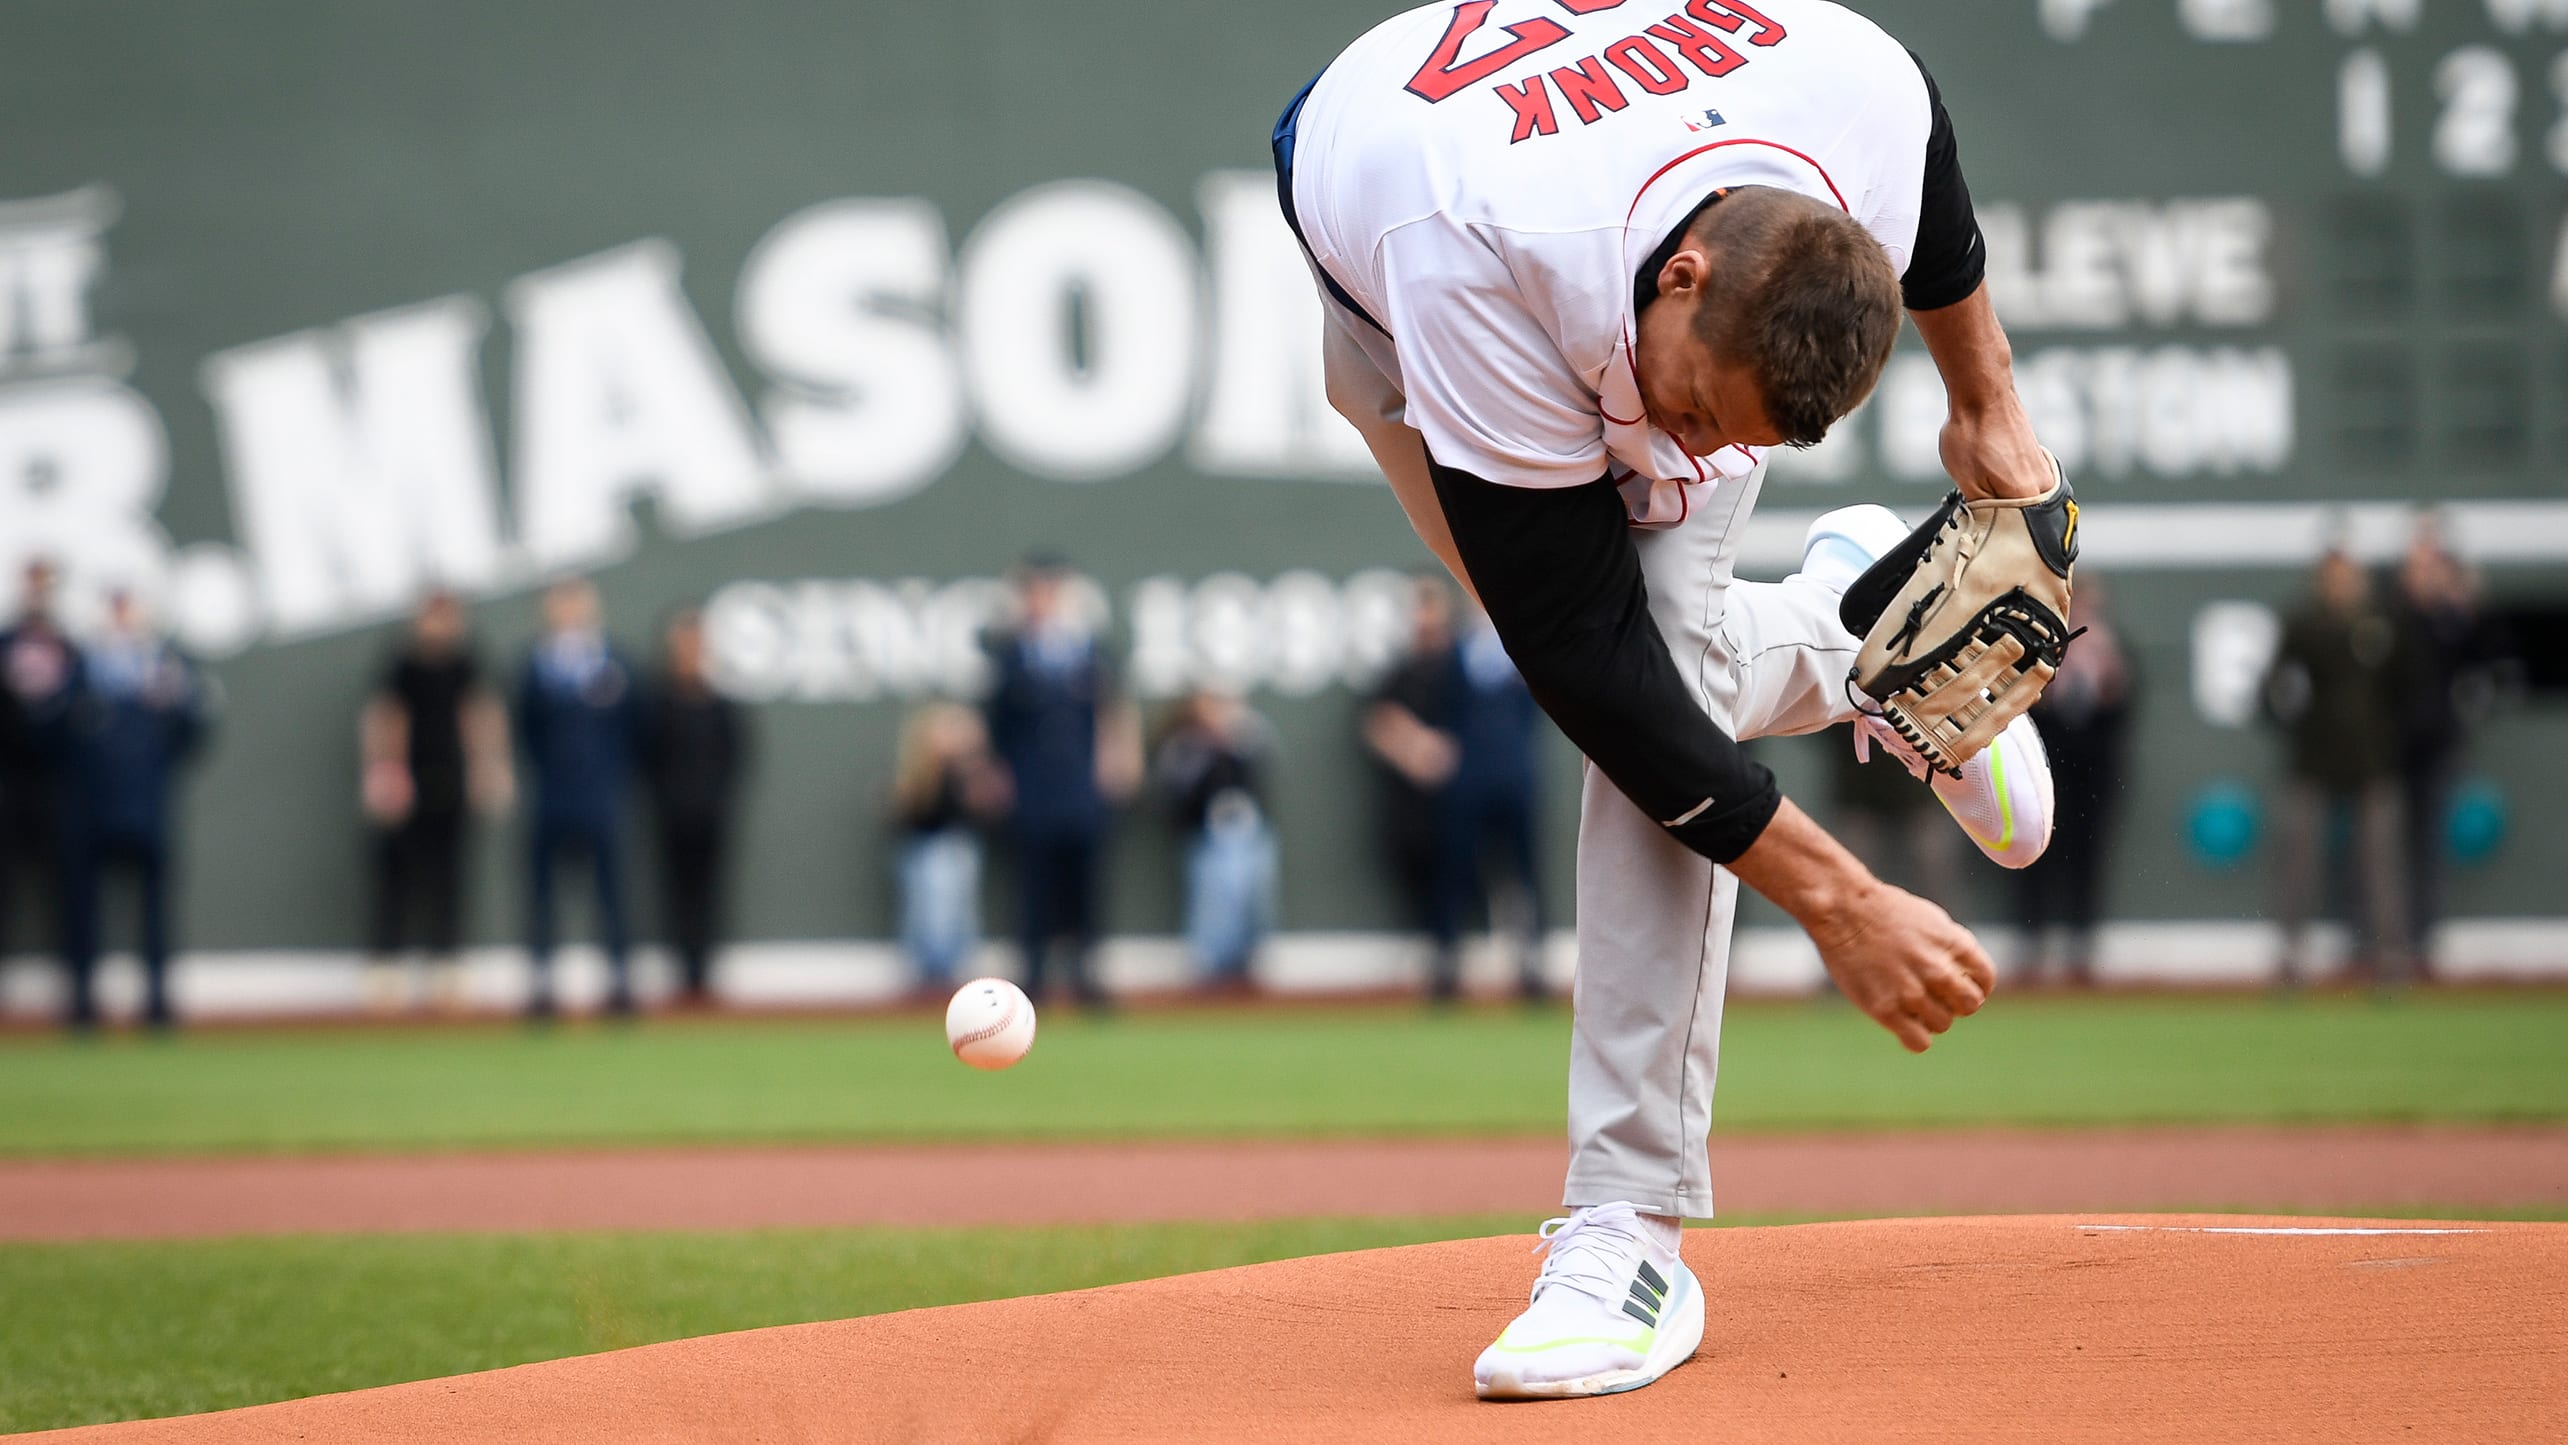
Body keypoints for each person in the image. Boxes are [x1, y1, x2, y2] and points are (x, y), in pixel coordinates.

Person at [1280, 0, 2063, 1398]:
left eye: (1739, 443)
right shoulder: (1478, 250)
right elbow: (1587, 661)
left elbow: (1925, 148)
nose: (1693, 460)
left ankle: (1625, 1227)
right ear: (1686, 276)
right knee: (1614, 674)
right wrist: (1841, 896)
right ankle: (1858, 635)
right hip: (1400, 262)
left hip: (1546, 192)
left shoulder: (1850, 85)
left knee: (1669, 666)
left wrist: (1986, 397)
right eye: (1695, 415)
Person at [982, 556, 1141, 1008]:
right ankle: (1032, 979)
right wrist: (997, 776)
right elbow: (997, 726)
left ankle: (1087, 975)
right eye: (1034, 591)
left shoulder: (1092, 652)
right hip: (1032, 788)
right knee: (1032, 887)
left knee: (1086, 885)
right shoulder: (1009, 657)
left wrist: (1119, 759)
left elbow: (1114, 711)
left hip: (1082, 787)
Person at [60, 589, 209, 1029]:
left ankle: (158, 1006)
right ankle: (83, 1007)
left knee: (156, 911)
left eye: (130, 606)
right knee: (82, 910)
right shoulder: (81, 668)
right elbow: (51, 736)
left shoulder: (166, 668)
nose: (123, 616)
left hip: (148, 805)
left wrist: (176, 701)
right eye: (115, 606)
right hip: (87, 807)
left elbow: (193, 732)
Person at [359, 590, 512, 1012]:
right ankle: (386, 973)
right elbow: (385, 716)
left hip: (450, 784)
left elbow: (480, 715)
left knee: (450, 879)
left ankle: (447, 972)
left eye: (447, 618)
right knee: (396, 881)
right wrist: (385, 772)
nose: (440, 626)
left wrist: (488, 768)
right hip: (405, 785)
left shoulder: (467, 662)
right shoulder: (401, 663)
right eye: (433, 617)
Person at [2263, 550, 2408, 986]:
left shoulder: (2382, 624)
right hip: (2314, 759)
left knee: (2381, 866)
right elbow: (2274, 686)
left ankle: (2390, 962)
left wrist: (2393, 738)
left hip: (2373, 761)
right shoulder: (2305, 625)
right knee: (2298, 862)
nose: (2342, 586)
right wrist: (2292, 724)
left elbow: (2408, 688)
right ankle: (2291, 960)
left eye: (2349, 577)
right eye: (2333, 578)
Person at [517, 577, 641, 1019]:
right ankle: (541, 987)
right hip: (550, 797)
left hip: (601, 797)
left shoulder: (615, 663)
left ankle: (620, 985)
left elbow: (632, 729)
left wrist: (610, 777)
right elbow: (525, 729)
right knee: (542, 896)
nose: (568, 612)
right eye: (559, 605)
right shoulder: (534, 665)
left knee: (612, 895)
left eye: (576, 604)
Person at [2388, 524, 2498, 979]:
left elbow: (2484, 665)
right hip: (2389, 752)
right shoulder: (2390, 620)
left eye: (2433, 567)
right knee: (2381, 851)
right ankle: (2379, 946)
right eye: (2418, 566)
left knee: (2429, 848)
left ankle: (2422, 945)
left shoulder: (2453, 621)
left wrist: (2465, 607)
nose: (2425, 575)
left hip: (2436, 749)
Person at [2014, 575, 2136, 986]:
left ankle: (2081, 941)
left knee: (2089, 855)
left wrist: (2112, 688)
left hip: (2093, 768)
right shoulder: (2037, 643)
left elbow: (2125, 704)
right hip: (2046, 764)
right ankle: (2033, 939)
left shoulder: (2110, 645)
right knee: (2035, 853)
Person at [641, 606, 749, 1007]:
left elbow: (735, 755)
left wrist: (716, 798)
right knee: (674, 896)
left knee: (709, 896)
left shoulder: (720, 704)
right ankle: (682, 974)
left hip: (711, 816)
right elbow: (647, 757)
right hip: (670, 817)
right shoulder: (659, 701)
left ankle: (704, 974)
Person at [1364, 576, 1465, 985]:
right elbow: (1378, 721)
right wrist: (1414, 748)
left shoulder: (1464, 665)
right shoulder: (1400, 671)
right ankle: (1437, 960)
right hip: (1412, 804)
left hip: (1464, 799)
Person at [1152, 688, 1279, 994]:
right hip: (1205, 836)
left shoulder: (1246, 741)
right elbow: (1176, 789)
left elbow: (1264, 768)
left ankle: (1247, 968)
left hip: (1248, 833)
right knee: (1211, 905)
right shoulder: (1183, 747)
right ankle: (1209, 974)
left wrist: (1234, 742)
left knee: (1255, 901)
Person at [889, 702, 1008, 995]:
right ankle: (930, 981)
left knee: (958, 918)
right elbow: (910, 811)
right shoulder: (920, 772)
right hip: (928, 848)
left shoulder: (969, 770)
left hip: (960, 847)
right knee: (929, 917)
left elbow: (989, 807)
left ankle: (952, 981)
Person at [0, 560, 81, 973]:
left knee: (68, 889)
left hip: (57, 787)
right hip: (10, 786)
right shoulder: (7, 641)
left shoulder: (70, 648)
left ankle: (79, 995)